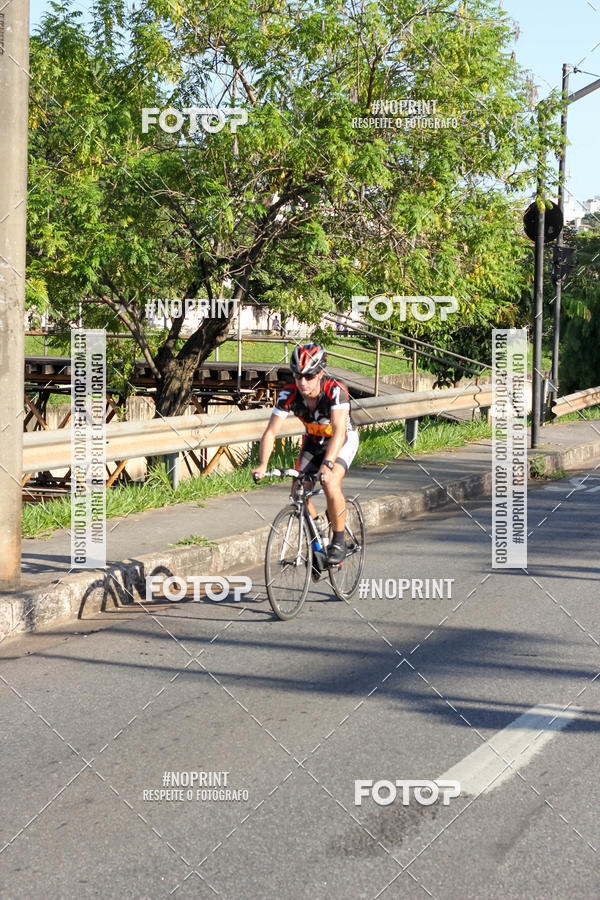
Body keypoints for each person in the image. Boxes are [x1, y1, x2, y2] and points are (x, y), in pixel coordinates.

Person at [252, 343, 359, 565]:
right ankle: (319, 533)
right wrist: (263, 464)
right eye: (298, 376)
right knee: (297, 492)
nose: (302, 382)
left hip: (342, 439)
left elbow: (339, 432)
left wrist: (328, 463)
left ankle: (339, 541)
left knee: (329, 481)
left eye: (309, 376)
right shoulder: (288, 395)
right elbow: (271, 432)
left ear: (320, 373)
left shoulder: (336, 390)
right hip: (314, 440)